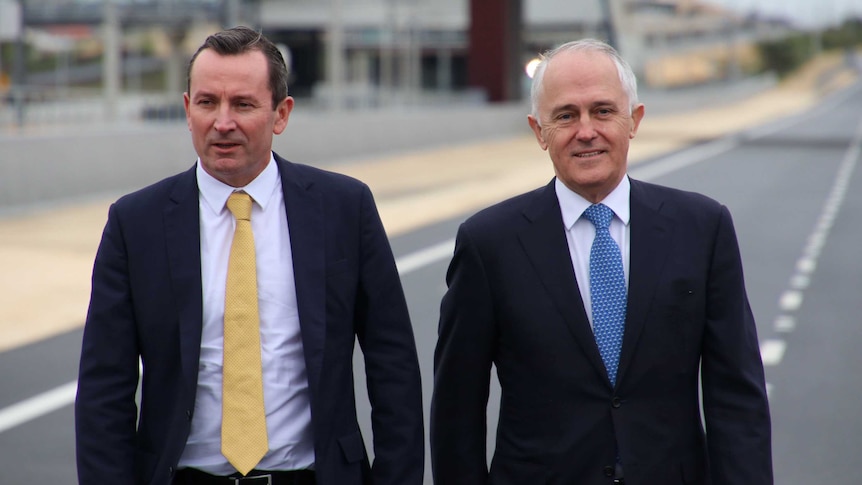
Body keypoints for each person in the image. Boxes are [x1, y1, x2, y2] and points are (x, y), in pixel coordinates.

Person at [75, 26, 424, 485]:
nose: (222, 122)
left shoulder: (344, 208)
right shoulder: (134, 223)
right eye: (207, 103)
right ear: (187, 110)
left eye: (242, 104)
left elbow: (392, 365)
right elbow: (105, 390)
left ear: (281, 114)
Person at [430, 39, 772, 484]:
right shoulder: (488, 243)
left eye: (604, 111)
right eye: (566, 115)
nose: (586, 130)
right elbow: (457, 409)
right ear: (539, 131)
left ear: (634, 120)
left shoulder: (703, 228)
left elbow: (737, 397)